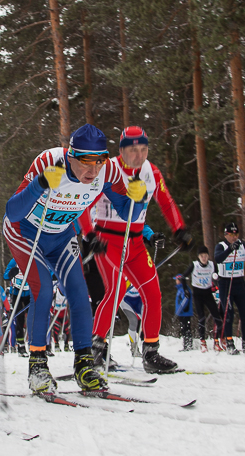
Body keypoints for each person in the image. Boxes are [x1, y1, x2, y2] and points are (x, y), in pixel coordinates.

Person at [3, 123, 146, 394]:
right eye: (86, 163)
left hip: (59, 235)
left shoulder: (107, 172)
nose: (93, 172)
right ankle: (38, 366)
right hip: (25, 231)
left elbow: (128, 211)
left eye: (100, 162)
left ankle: (84, 365)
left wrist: (139, 199)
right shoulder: (49, 161)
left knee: (80, 293)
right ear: (70, 156)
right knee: (42, 290)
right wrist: (41, 184)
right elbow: (12, 212)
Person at [81, 126, 192, 374]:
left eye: (144, 149)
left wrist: (179, 229)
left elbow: (166, 200)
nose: (139, 155)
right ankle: (96, 348)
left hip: (136, 243)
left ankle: (151, 352)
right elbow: (83, 201)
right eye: (133, 150)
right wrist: (89, 234)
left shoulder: (151, 172)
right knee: (116, 289)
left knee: (153, 293)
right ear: (121, 150)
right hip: (108, 241)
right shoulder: (107, 169)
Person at [214, 222, 245, 354]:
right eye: (231, 234)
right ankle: (229, 343)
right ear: (226, 234)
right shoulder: (221, 246)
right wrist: (230, 249)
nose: (234, 237)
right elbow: (218, 259)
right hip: (225, 283)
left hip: (239, 282)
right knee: (229, 314)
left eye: (236, 234)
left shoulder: (242, 245)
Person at [182, 246, 222, 351]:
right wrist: (186, 290)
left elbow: (218, 277)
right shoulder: (194, 265)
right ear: (198, 257)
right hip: (198, 294)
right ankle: (203, 342)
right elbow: (183, 277)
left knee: (217, 317)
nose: (204, 258)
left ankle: (217, 341)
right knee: (202, 318)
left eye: (205, 256)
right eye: (201, 256)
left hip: (208, 293)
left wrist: (217, 285)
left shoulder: (212, 265)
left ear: (208, 256)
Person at [3, 258, 31, 356]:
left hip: (29, 292)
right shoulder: (15, 260)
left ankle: (34, 344)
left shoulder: (32, 259)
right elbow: (5, 275)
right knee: (20, 318)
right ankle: (21, 346)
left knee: (32, 317)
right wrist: (11, 274)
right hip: (16, 292)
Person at [174, 274, 194, 352]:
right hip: (182, 313)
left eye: (176, 280)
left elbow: (185, 300)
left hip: (185, 313)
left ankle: (188, 345)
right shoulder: (180, 289)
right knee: (184, 329)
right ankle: (187, 344)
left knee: (186, 329)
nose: (176, 281)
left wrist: (180, 310)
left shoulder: (184, 289)